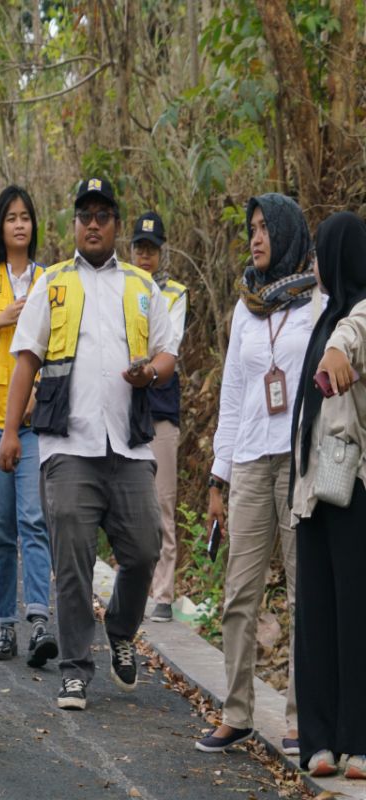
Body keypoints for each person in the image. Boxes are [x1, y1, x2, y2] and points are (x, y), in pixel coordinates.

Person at [0, 177, 177, 713]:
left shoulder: (141, 286)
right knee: (72, 562)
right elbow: (26, 360)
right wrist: (10, 432)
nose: (94, 223)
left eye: (103, 214)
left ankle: (121, 628)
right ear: (73, 224)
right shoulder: (53, 283)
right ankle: (75, 669)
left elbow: (168, 354)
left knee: (145, 548)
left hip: (129, 447)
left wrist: (151, 372)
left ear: (117, 224)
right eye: (85, 215)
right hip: (67, 446)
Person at [198, 193, 312, 755]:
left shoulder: (317, 303)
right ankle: (236, 711)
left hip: (297, 462)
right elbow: (234, 395)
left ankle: (300, 717)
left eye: (267, 227)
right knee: (238, 594)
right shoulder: (246, 306)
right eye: (252, 228)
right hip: (247, 461)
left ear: (289, 232)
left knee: (302, 592)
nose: (257, 237)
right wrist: (217, 480)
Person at [290, 211, 366, 780]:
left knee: (355, 615)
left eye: (322, 253)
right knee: (317, 617)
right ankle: (319, 740)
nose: (316, 264)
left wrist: (337, 353)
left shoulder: (356, 315)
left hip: (354, 489)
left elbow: (351, 340)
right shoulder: (325, 315)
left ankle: (358, 741)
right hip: (315, 491)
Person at [0, 185, 56, 668]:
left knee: (34, 520)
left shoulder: (50, 279)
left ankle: (39, 619)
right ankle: (4, 625)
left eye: (26, 217)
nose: (20, 224)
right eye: (11, 218)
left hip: (35, 425)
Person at [130, 212, 189, 624]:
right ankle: (134, 582)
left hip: (162, 407)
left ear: (161, 252)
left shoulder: (175, 293)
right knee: (128, 501)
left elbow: (169, 343)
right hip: (127, 405)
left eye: (151, 249)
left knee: (164, 500)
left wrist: (145, 357)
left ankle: (163, 593)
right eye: (139, 248)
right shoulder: (119, 287)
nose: (145, 255)